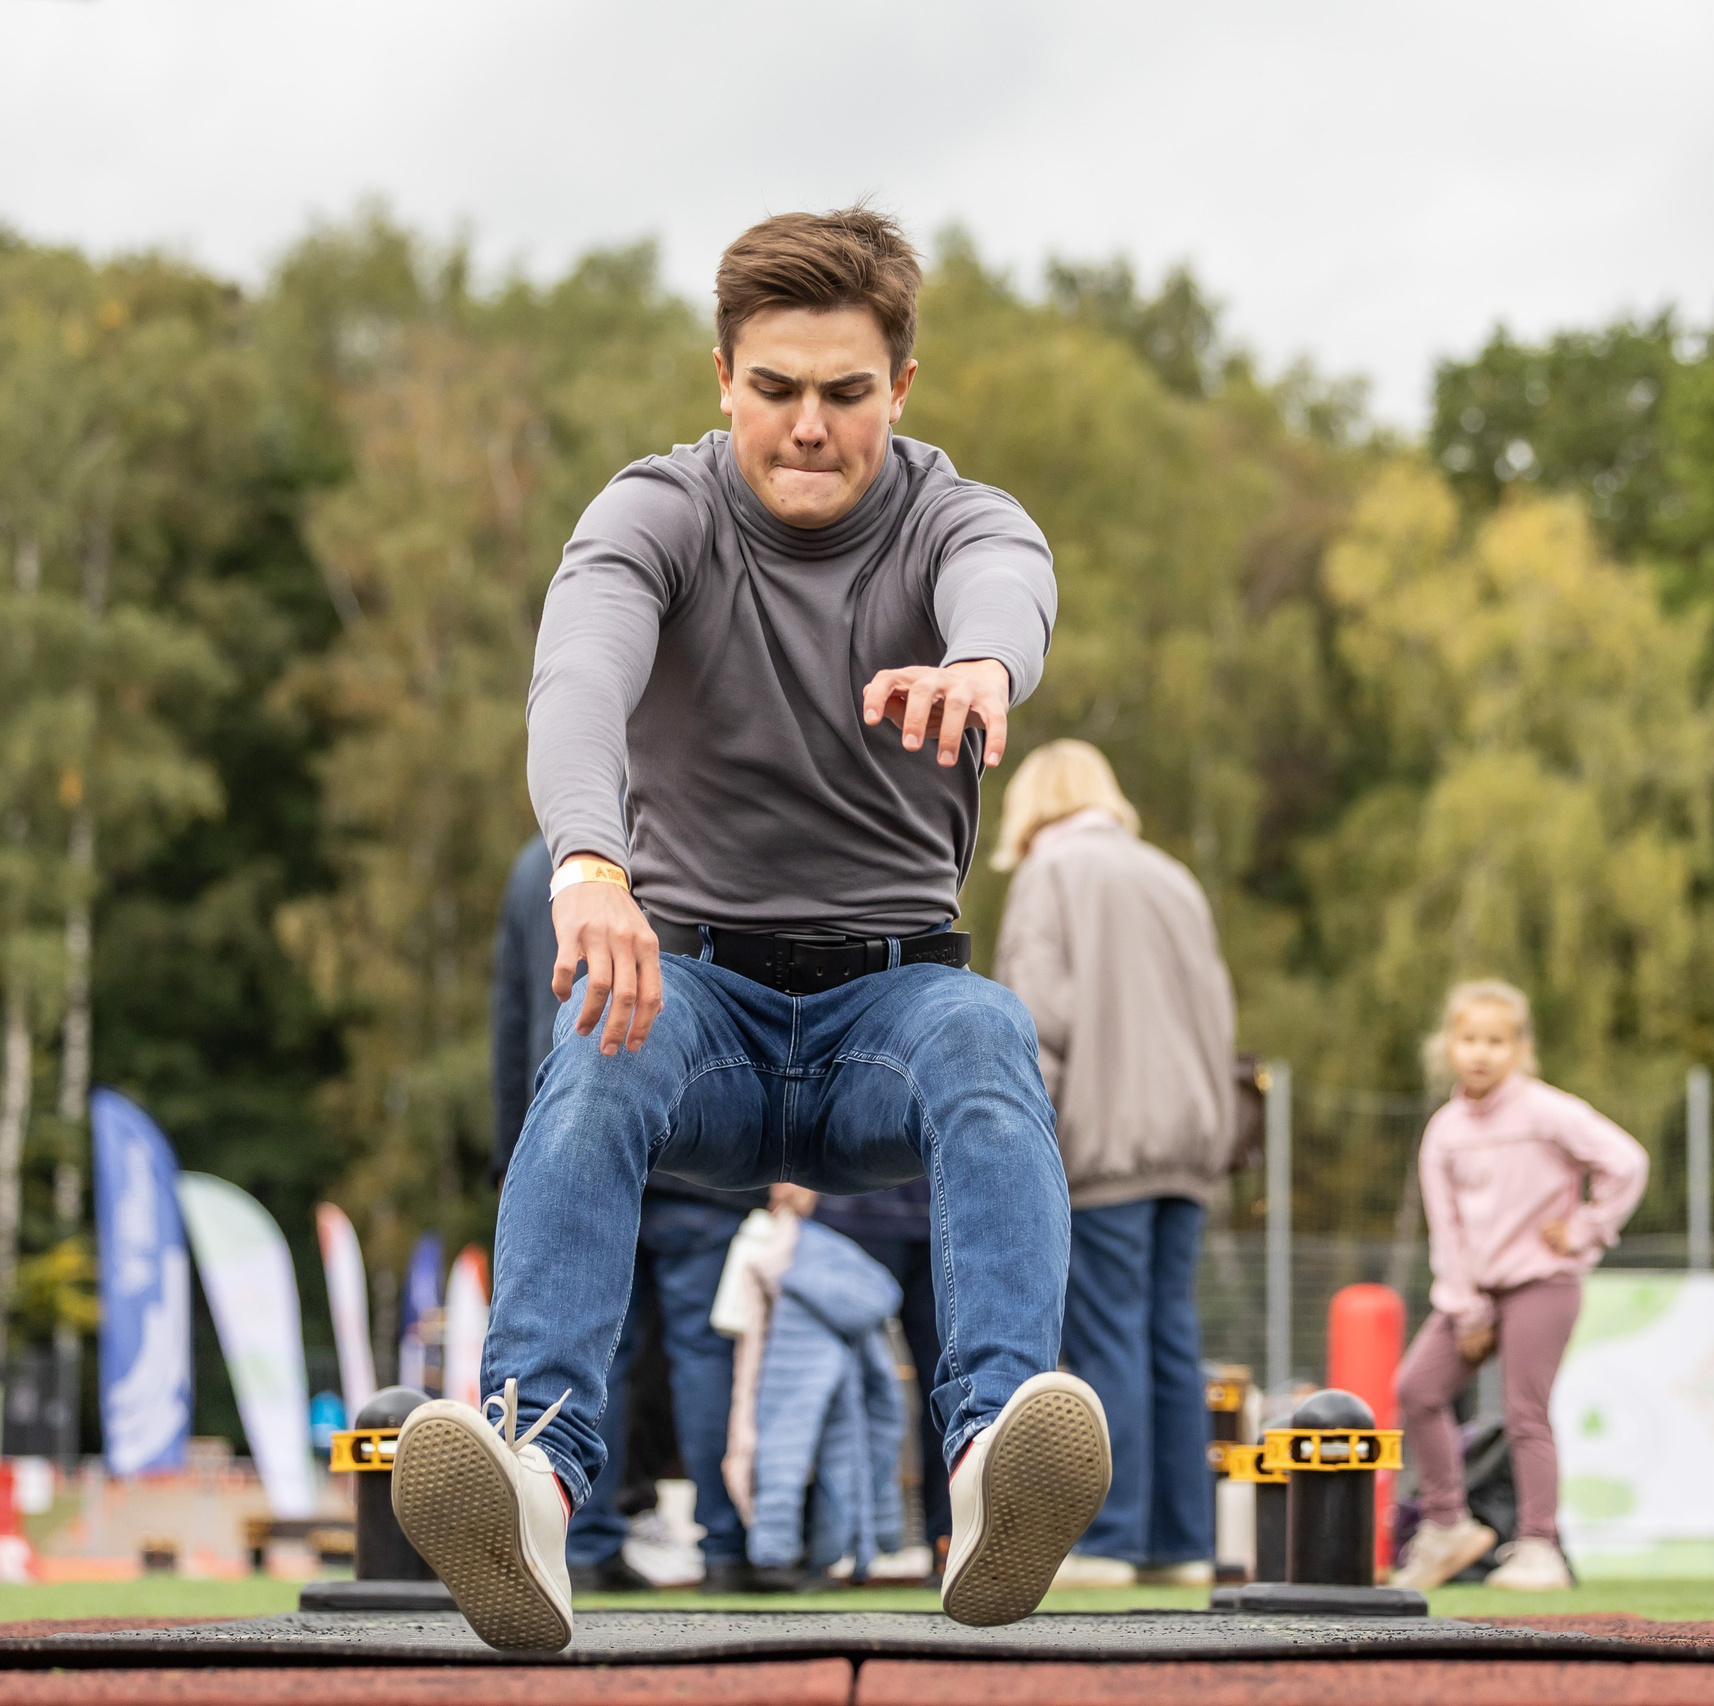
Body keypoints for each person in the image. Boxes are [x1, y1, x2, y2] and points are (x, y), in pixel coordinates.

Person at [390, 206, 1110, 1652]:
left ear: (900, 390)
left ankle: (988, 1466)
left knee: (988, 1036)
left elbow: (1007, 582)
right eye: (774, 388)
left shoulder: (958, 517)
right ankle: (533, 1471)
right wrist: (590, 862)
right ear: (721, 377)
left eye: (846, 393)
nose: (807, 427)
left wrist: (982, 660)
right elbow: (578, 677)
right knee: (593, 1048)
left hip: (886, 1017)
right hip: (696, 995)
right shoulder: (653, 514)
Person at [989, 740, 1236, 1587]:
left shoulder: (1049, 879)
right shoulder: (1172, 878)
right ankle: (1181, 1540)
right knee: (1172, 1337)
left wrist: (1021, 1140)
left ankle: (1112, 1538)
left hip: (1101, 1139)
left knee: (1106, 1336)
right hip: (1189, 1142)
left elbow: (1035, 1022)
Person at [490, 831, 763, 1594]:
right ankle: (726, 1542)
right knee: (710, 1355)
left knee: (588, 1346)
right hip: (702, 1153)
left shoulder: (536, 868)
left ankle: (584, 1538)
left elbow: (514, 1016)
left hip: (577, 1147)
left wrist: (516, 1155)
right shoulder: (701, 834)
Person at [1390, 980, 1646, 1593]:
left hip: (1541, 1283)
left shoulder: (1548, 1111)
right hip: (1476, 1292)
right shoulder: (1444, 1131)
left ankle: (1539, 1548)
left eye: (1497, 1041)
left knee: (1525, 1413)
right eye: (1470, 1039)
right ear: (1448, 1045)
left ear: (1520, 1048)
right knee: (1417, 1389)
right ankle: (1448, 1525)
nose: (1482, 1053)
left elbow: (1627, 1162)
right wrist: (1465, 1307)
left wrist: (1587, 1227)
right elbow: (1445, 1230)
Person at [715, 1187, 908, 1590]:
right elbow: (885, 1413)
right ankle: (808, 1556)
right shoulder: (857, 1276)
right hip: (881, 1228)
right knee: (826, 1438)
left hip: (806, 1246)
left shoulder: (781, 1258)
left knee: (783, 1436)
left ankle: (761, 1553)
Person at [809, 1179, 948, 1579]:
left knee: (823, 1392)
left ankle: (821, 1550)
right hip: (880, 1206)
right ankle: (950, 1542)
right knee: (949, 1390)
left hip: (851, 1202)